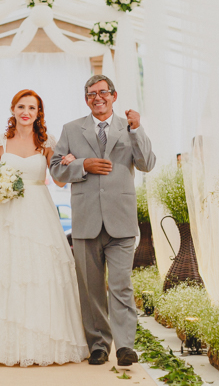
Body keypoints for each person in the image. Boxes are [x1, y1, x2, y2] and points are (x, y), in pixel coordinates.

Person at [0, 89, 89, 366]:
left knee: (41, 272)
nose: (26, 112)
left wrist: (68, 162)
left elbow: (60, 181)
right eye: (22, 106)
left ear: (39, 114)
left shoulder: (47, 142)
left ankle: (44, 340)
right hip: (7, 214)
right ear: (13, 109)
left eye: (33, 108)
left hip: (40, 210)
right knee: (3, 272)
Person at [49, 75, 156, 366]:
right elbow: (56, 170)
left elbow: (147, 163)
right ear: (86, 99)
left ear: (113, 95)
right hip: (85, 221)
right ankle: (98, 344)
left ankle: (124, 347)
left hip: (121, 220)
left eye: (102, 92)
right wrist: (83, 165)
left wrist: (137, 129)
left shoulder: (128, 127)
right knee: (91, 288)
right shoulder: (71, 129)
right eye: (91, 94)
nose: (97, 97)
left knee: (121, 285)